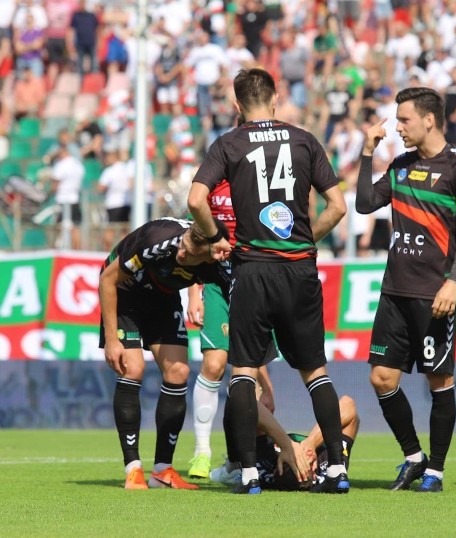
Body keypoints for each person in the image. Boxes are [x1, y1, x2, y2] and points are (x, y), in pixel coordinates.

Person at [188, 68, 349, 495]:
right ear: (276, 99)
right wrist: (305, 240)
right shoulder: (304, 139)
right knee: (315, 372)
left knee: (242, 372)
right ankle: (336, 471)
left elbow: (194, 200)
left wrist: (215, 236)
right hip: (298, 269)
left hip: (252, 268)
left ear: (237, 106)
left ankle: (247, 473)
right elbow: (337, 206)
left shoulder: (229, 143)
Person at [355, 87, 456, 493]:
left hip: (436, 294)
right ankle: (414, 457)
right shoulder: (400, 165)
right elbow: (363, 204)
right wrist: (366, 153)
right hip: (394, 291)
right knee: (381, 377)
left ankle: (437, 470)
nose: (398, 126)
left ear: (429, 119)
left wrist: (453, 281)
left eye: (405, 119)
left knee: (438, 381)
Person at [98, 218, 230, 490]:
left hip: (162, 295)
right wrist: (112, 339)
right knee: (133, 368)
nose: (181, 253)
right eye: (184, 246)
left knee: (178, 372)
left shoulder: (218, 263)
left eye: (189, 253)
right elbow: (108, 280)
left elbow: (242, 297)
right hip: (125, 292)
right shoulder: (158, 243)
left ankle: (162, 470)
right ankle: (133, 469)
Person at [185, 178, 237, 479]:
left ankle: (237, 460)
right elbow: (195, 235)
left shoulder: (263, 175)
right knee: (214, 364)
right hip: (217, 282)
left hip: (254, 282)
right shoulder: (210, 179)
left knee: (251, 374)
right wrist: (194, 293)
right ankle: (201, 452)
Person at [210, 393, 359, 492]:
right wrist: (311, 443)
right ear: (313, 473)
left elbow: (246, 401)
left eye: (293, 459)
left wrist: (285, 444)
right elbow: (348, 404)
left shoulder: (264, 466)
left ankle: (232, 465)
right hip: (316, 448)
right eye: (301, 459)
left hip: (263, 450)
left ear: (275, 470)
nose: (298, 455)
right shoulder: (326, 468)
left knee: (242, 399)